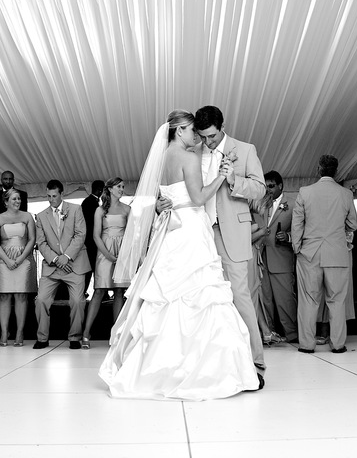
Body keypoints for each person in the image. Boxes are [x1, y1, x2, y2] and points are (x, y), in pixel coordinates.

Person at [99, 110, 259, 399]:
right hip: (193, 229)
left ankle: (163, 365)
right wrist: (223, 178)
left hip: (174, 231)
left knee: (169, 297)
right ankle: (206, 367)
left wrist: (164, 203)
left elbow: (166, 195)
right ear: (179, 130)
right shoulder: (190, 156)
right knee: (202, 296)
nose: (197, 136)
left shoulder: (162, 159)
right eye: (191, 130)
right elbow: (198, 198)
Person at [193, 105, 267, 379]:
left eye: (211, 136)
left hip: (231, 234)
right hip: (199, 234)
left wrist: (235, 179)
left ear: (223, 126)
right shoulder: (194, 152)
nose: (207, 142)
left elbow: (259, 189)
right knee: (203, 297)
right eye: (202, 137)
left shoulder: (245, 150)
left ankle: (255, 363)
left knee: (239, 296)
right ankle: (214, 365)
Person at [292, 155, 357, 354]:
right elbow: (353, 224)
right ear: (336, 171)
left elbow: (297, 224)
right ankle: (338, 344)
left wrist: (297, 247)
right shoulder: (345, 194)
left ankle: (307, 344)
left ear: (318, 169)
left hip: (309, 253)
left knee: (308, 300)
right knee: (337, 300)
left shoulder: (305, 192)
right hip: (337, 253)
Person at [34, 180, 89, 349]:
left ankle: (74, 337)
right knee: (41, 299)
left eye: (54, 196)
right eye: (49, 196)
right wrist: (57, 259)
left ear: (62, 194)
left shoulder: (75, 209)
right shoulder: (41, 216)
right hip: (52, 267)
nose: (51, 200)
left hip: (74, 265)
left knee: (78, 301)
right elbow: (41, 243)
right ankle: (42, 338)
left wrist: (67, 256)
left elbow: (81, 235)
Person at [250, 170, 297, 343]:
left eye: (271, 186)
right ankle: (269, 334)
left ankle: (292, 334)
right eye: (266, 186)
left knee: (285, 299)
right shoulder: (259, 204)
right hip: (261, 259)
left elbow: (301, 230)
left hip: (282, 258)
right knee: (265, 300)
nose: (268, 190)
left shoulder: (292, 204)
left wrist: (288, 237)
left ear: (280, 186)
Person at [82, 177, 130, 348]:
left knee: (119, 291)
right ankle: (86, 334)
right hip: (104, 252)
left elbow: (131, 234)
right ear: (109, 189)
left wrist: (123, 254)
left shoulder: (127, 209)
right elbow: (95, 235)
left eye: (123, 187)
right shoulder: (100, 210)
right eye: (119, 186)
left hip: (122, 252)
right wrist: (108, 255)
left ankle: (116, 335)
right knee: (99, 291)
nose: (122, 189)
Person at [0, 188, 36, 346]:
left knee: (21, 296)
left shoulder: (27, 216)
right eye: (14, 199)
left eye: (19, 199)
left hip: (24, 258)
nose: (18, 201)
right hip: (3, 259)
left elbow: (32, 239)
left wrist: (21, 258)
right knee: (4, 296)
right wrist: (7, 260)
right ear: (6, 201)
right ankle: (4, 333)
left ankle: (20, 332)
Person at [81, 179, 104, 286]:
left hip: (90, 240)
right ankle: (96, 290)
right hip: (91, 241)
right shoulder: (91, 203)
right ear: (100, 190)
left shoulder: (88, 201)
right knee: (93, 267)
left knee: (93, 267)